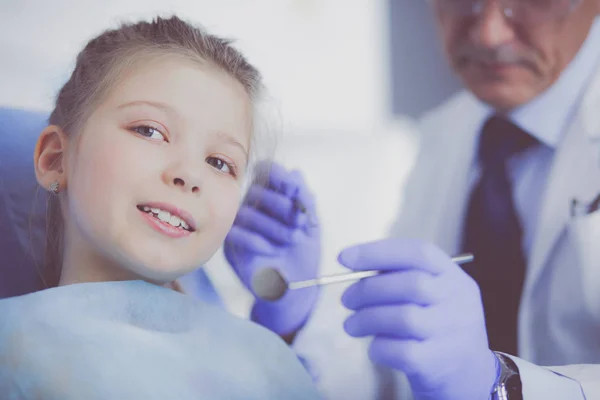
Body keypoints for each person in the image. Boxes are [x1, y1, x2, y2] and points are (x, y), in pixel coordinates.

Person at [224, 0, 600, 398]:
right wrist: (295, 315)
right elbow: (395, 376)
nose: (489, 33)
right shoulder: (448, 132)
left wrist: (501, 385)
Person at [0, 15, 322, 400]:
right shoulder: (13, 351)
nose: (189, 175)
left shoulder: (270, 366)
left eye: (220, 162)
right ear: (56, 159)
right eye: (149, 131)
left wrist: (281, 330)